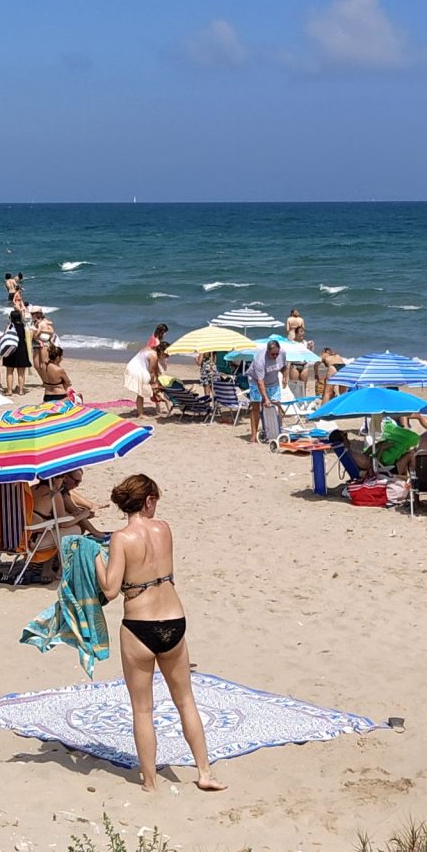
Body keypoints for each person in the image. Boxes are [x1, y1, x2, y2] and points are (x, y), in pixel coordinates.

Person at [93, 475, 224, 794]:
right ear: (149, 500)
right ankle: (204, 772)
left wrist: (94, 557)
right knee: (185, 700)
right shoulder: (164, 529)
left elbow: (110, 590)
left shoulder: (121, 539)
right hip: (174, 621)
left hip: (139, 625)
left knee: (142, 709)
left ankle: (150, 781)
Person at [242, 340, 288, 441]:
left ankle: (277, 432)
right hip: (255, 381)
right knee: (256, 407)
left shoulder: (283, 353)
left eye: (277, 353)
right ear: (267, 351)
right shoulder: (260, 360)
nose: (275, 356)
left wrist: (285, 376)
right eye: (273, 354)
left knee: (277, 406)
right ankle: (253, 435)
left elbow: (284, 366)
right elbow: (260, 382)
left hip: (273, 381)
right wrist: (266, 398)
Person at [123, 339, 162, 418]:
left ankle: (140, 411)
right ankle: (140, 414)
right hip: (137, 370)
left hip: (132, 366)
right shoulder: (154, 356)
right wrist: (152, 383)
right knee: (141, 392)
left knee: (141, 391)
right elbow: (151, 371)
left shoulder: (148, 348)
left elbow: (153, 369)